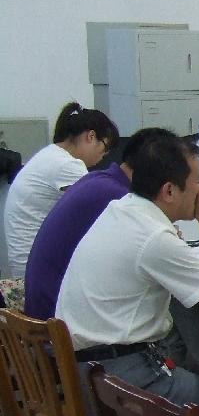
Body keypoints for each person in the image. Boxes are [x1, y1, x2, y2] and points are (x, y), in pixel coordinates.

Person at [55, 136, 199, 409]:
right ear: (169, 191)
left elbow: (161, 268)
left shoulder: (123, 209)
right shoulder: (154, 237)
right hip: (117, 379)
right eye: (198, 180)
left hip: (89, 369)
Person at [24, 128, 175, 319]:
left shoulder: (99, 180)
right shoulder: (119, 197)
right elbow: (157, 248)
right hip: (57, 317)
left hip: (43, 303)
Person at [4, 102, 119, 278]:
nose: (103, 157)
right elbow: (103, 211)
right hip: (38, 270)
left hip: (28, 264)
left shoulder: (51, 153)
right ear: (91, 136)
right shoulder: (67, 165)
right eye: (105, 148)